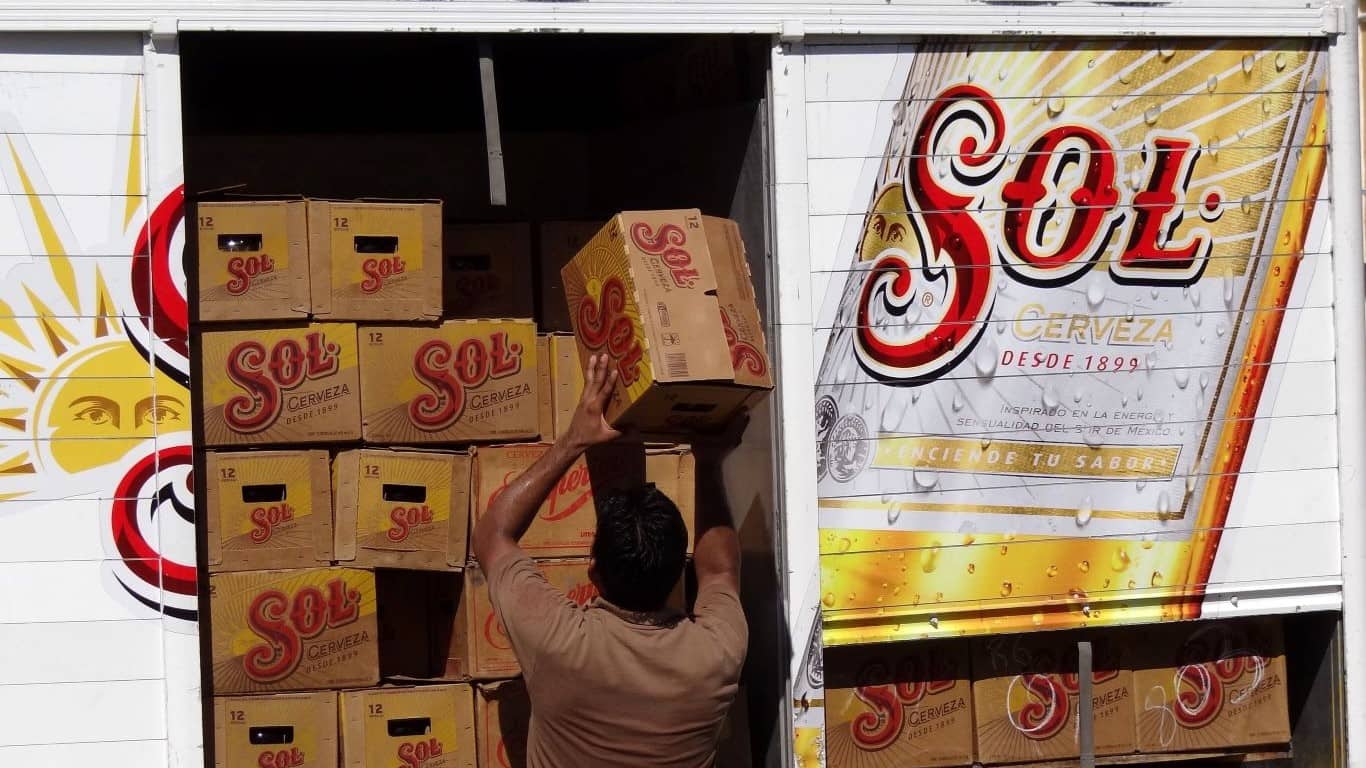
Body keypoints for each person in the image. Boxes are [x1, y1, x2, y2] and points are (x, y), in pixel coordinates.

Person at [471, 353, 748, 768]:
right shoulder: (718, 651)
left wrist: (574, 440)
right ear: (678, 573)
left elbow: (492, 534)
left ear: (594, 572)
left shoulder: (559, 642)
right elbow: (721, 570)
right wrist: (708, 462)